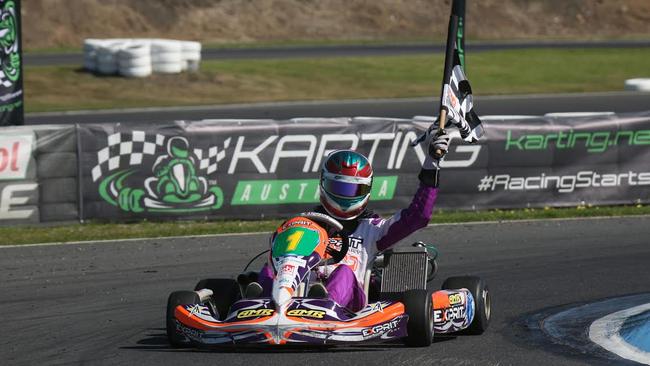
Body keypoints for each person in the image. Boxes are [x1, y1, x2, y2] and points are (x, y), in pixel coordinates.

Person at [250, 130, 451, 311]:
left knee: (343, 272)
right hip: (296, 294)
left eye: (352, 190)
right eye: (338, 188)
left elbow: (418, 216)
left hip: (348, 304)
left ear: (365, 190)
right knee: (269, 270)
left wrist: (432, 163)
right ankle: (261, 305)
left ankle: (323, 305)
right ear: (324, 183)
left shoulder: (373, 230)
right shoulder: (304, 224)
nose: (344, 196)